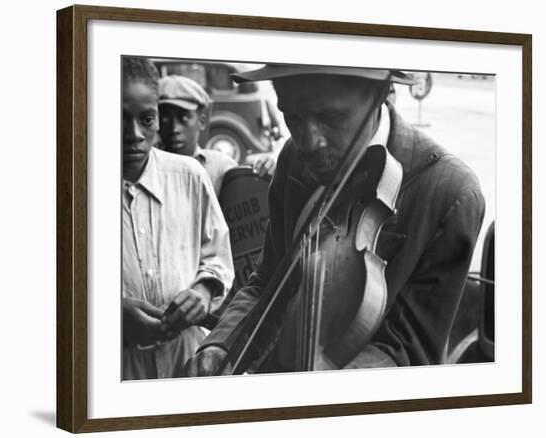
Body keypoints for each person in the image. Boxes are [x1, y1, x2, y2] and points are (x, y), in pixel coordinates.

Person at [184, 65, 486, 375]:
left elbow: (409, 353)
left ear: (380, 95)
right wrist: (220, 345)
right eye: (293, 117)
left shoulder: (450, 193)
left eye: (330, 119)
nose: (308, 141)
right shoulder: (293, 157)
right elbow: (269, 280)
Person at [121, 57, 234, 380]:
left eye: (146, 119)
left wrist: (202, 292)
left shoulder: (190, 175)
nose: (134, 134)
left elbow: (218, 259)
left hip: (187, 363)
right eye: (118, 118)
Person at [158, 74, 276, 195]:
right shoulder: (150, 168)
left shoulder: (220, 166)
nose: (174, 128)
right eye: (165, 118)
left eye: (183, 118)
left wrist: (266, 171)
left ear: (201, 121)